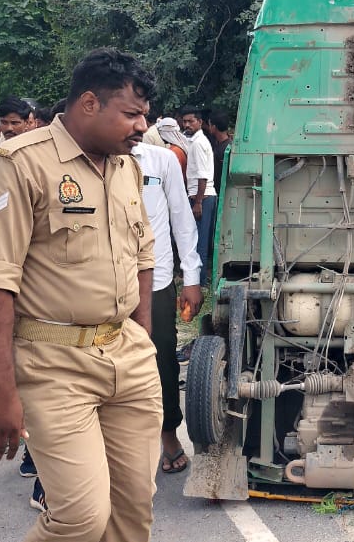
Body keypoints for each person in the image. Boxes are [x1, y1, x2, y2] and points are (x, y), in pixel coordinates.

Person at [0, 48, 160, 542]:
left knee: (132, 514)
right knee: (79, 518)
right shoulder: (18, 165)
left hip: (129, 358)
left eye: (146, 115)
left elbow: (142, 258)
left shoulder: (125, 167)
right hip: (53, 364)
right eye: (133, 114)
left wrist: (143, 341)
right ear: (90, 104)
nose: (143, 126)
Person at [131, 141, 202, 474]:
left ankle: (169, 436)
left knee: (161, 361)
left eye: (141, 113)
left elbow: (181, 218)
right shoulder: (90, 158)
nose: (136, 122)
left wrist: (191, 277)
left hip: (156, 280)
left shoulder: (161, 160)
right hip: (101, 283)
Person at [180, 107, 217, 286]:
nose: (187, 125)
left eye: (190, 121)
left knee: (199, 241)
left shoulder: (198, 143)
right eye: (184, 121)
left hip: (202, 197)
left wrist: (198, 202)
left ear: (200, 122)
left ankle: (200, 281)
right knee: (196, 239)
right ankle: (198, 279)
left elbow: (202, 175)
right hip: (200, 196)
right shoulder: (195, 142)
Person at [0, 97, 34, 161]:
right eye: (4, 122)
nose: (9, 128)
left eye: (15, 123)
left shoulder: (35, 151)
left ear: (26, 123)